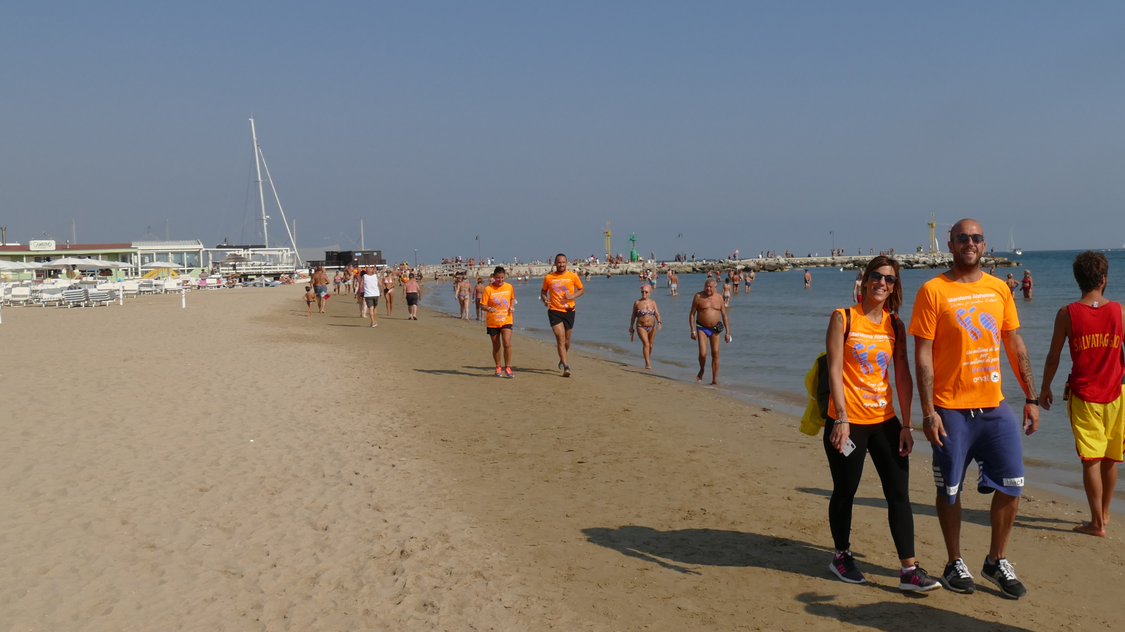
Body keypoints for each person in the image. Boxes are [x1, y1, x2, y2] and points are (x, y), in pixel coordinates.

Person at [909, 218, 1038, 600]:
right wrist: (928, 410)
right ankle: (954, 562)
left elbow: (1014, 344)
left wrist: (1030, 397)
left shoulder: (999, 288)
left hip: (994, 407)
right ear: (950, 245)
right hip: (950, 409)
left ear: (984, 245)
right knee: (949, 489)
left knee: (1013, 482)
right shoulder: (933, 290)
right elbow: (923, 355)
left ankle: (996, 560)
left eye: (976, 238)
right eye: (963, 237)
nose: (970, 242)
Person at [823, 256, 940, 591]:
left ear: (895, 287)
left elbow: (902, 374)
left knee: (899, 494)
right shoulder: (842, 318)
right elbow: (834, 370)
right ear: (865, 279)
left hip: (885, 420)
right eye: (877, 276)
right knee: (846, 491)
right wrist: (841, 419)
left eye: (889, 280)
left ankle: (909, 570)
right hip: (848, 423)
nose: (882, 284)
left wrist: (906, 424)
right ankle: (841, 556)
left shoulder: (895, 325)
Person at [1040, 251, 1123, 537]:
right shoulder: (1120, 311)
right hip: (1118, 394)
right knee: (1111, 457)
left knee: (1091, 460)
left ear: (1078, 280)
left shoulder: (1067, 314)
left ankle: (1097, 522)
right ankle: (1106, 513)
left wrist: (1044, 388)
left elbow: (1053, 357)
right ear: (1104, 279)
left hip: (1085, 395)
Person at [540, 253, 585, 377]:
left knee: (566, 340)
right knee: (560, 338)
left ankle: (562, 357)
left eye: (563, 262)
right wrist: (544, 299)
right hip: (554, 311)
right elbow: (543, 291)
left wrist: (572, 296)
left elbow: (582, 289)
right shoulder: (549, 277)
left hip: (569, 311)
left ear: (567, 263)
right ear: (555, 263)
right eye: (559, 262)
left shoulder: (572, 276)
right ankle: (566, 367)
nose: (561, 265)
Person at [689, 278, 731, 385]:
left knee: (715, 353)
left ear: (715, 288)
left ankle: (714, 379)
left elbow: (724, 316)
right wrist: (693, 331)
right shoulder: (698, 296)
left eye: (710, 287)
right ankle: (702, 369)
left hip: (715, 328)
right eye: (706, 286)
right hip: (701, 327)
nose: (708, 288)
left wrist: (727, 333)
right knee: (703, 353)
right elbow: (692, 314)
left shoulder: (719, 298)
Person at [481, 266, 515, 378]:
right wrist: (488, 308)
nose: (500, 280)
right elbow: (482, 305)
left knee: (507, 343)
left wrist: (512, 306)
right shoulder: (488, 289)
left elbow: (511, 299)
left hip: (506, 319)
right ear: (493, 277)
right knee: (496, 346)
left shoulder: (509, 287)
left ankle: (508, 367)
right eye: (498, 278)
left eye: (502, 277)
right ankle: (498, 366)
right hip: (493, 321)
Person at [628, 284, 662, 370]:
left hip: (652, 327)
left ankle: (647, 358)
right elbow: (633, 315)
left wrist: (659, 322)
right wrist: (631, 326)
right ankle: (647, 363)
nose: (644, 293)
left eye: (646, 292)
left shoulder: (653, 302)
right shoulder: (637, 303)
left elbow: (657, 313)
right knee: (646, 344)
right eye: (642, 292)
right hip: (641, 326)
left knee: (650, 345)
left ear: (650, 293)